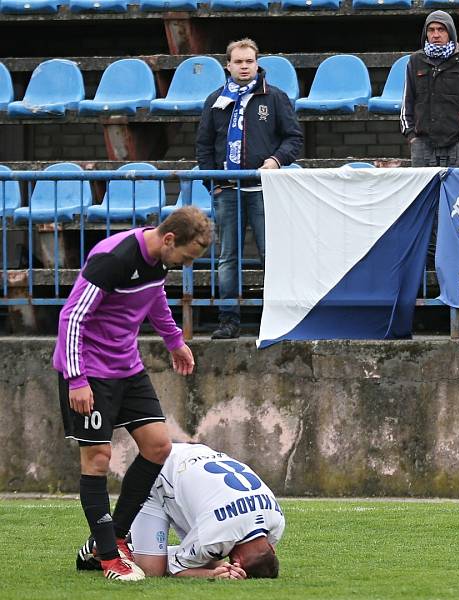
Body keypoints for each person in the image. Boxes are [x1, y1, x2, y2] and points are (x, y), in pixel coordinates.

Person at [53, 207, 212, 582]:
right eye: (187, 257)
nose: (186, 265)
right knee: (97, 458)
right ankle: (108, 559)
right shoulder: (115, 258)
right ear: (170, 239)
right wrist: (77, 379)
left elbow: (154, 298)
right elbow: (71, 317)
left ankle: (112, 538)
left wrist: (175, 341)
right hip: (89, 370)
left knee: (158, 446)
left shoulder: (159, 261)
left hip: (127, 366)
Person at [197, 37, 304, 340]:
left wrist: (275, 160)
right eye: (238, 62)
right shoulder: (214, 101)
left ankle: (277, 318)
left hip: (263, 191)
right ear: (228, 65)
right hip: (227, 191)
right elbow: (204, 147)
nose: (244, 67)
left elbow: (294, 139)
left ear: (257, 63)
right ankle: (229, 320)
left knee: (271, 255)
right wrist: (212, 183)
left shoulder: (276, 98)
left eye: (250, 61)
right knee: (228, 257)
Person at [78, 442, 285, 579]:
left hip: (195, 455)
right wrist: (213, 575)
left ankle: (138, 541)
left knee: (210, 557)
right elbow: (179, 569)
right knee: (152, 570)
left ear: (272, 548)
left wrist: (216, 565)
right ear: (237, 562)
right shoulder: (214, 536)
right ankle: (106, 544)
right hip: (157, 473)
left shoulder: (277, 523)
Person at [400, 10, 459, 168]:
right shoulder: (414, 61)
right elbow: (407, 103)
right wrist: (412, 136)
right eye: (431, 30)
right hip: (422, 146)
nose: (436, 35)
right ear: (425, 34)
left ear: (451, 32)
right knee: (425, 193)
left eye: (441, 29)